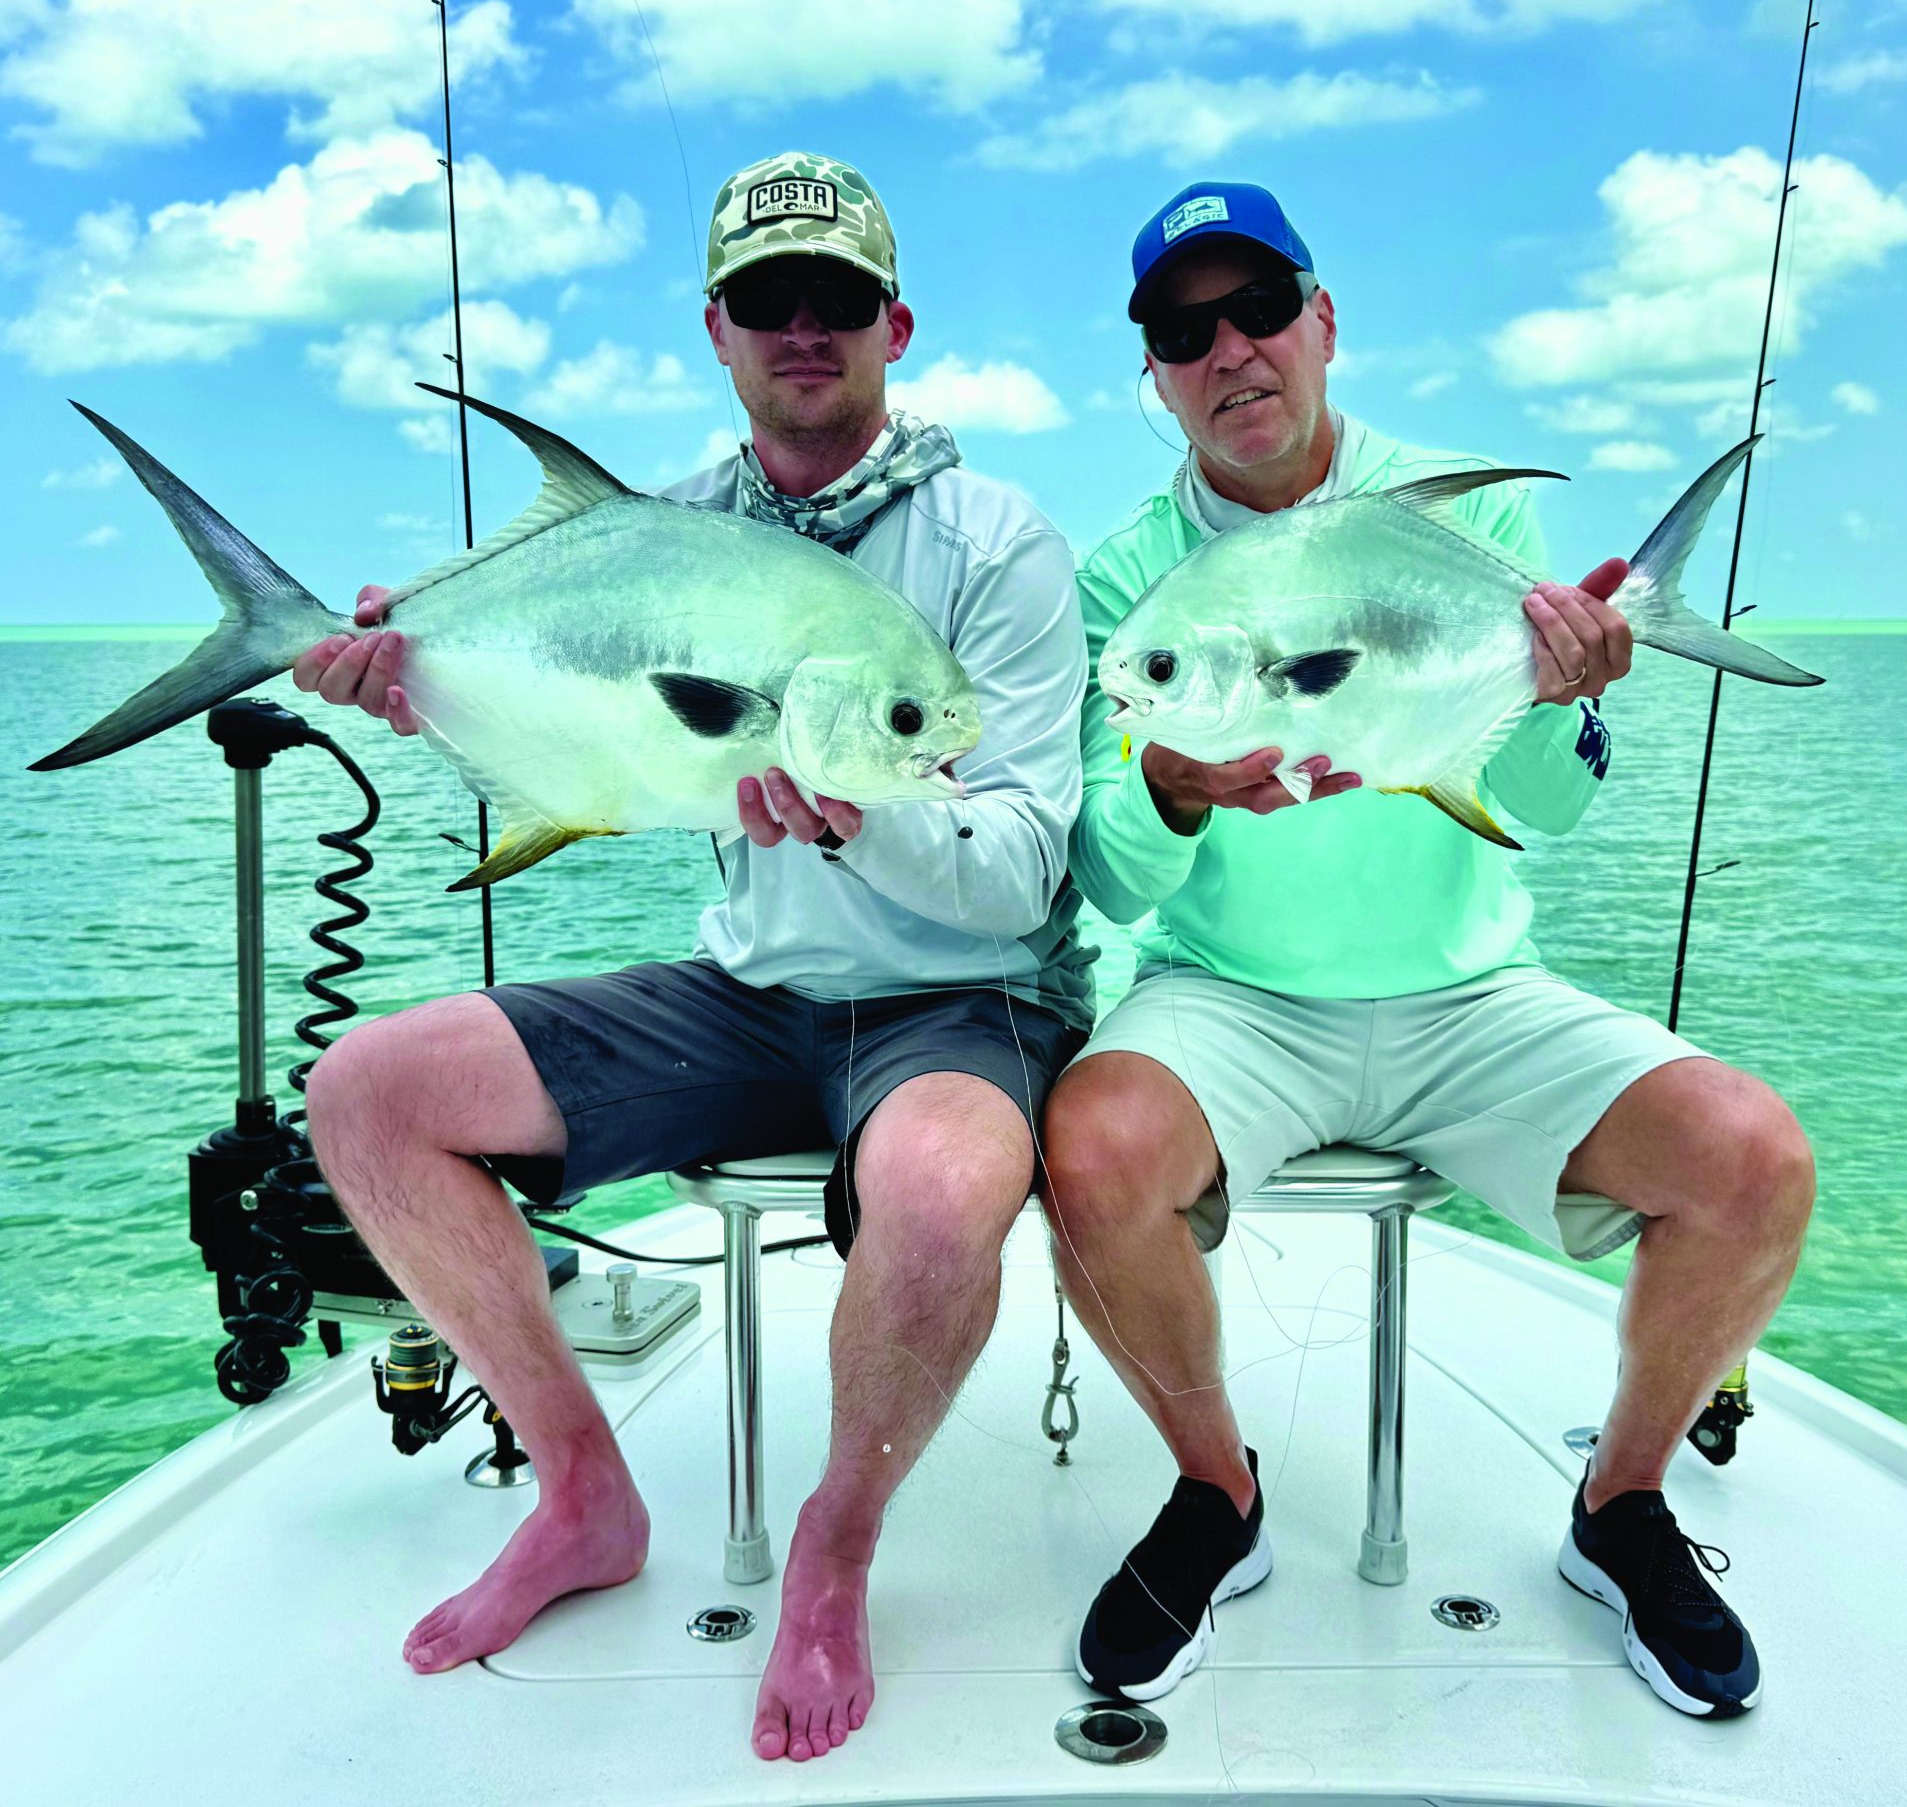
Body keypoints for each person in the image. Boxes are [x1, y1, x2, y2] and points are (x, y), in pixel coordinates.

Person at [293, 151, 1093, 1762]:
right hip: (751, 991)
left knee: (939, 1191)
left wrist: (860, 813)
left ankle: (837, 1543)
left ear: (895, 324)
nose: (807, 330)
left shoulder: (998, 545)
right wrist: (416, 668)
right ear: (716, 332)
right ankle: (582, 1493)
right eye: (767, 301)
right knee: (368, 1094)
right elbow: (594, 733)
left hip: (963, 997)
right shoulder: (668, 537)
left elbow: (1017, 878)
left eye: (841, 301)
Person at [1041, 181, 1812, 1721]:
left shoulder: (1467, 518)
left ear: (1324, 323)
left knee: (1753, 1162)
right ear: (1156, 377)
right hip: (1231, 998)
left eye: (1259, 310)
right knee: (1089, 1148)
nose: (1231, 352)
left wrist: (1556, 695)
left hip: (1471, 991)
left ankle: (1624, 1506)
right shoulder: (1127, 582)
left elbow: (1537, 814)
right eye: (1184, 332)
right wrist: (1166, 786)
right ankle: (1217, 1496)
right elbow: (1112, 893)